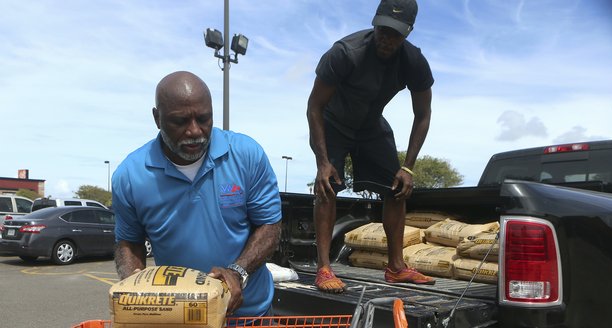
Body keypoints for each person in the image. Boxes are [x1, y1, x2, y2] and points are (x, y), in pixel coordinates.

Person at [112, 71, 282, 316]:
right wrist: (132, 283)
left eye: (204, 118)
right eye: (179, 121)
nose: (194, 131)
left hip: (249, 314)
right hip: (179, 317)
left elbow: (269, 224)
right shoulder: (130, 175)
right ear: (157, 118)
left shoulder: (246, 155)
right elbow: (129, 241)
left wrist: (237, 273)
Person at [306, 0, 435, 293]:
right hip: (334, 121)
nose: (387, 39)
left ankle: (396, 268)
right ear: (375, 22)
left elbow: (423, 114)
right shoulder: (345, 53)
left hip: (371, 125)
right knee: (326, 186)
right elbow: (314, 107)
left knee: (397, 188)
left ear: (408, 32)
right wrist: (322, 161)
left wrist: (408, 167)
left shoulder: (413, 62)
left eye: (396, 34)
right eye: (383, 29)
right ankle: (324, 268)